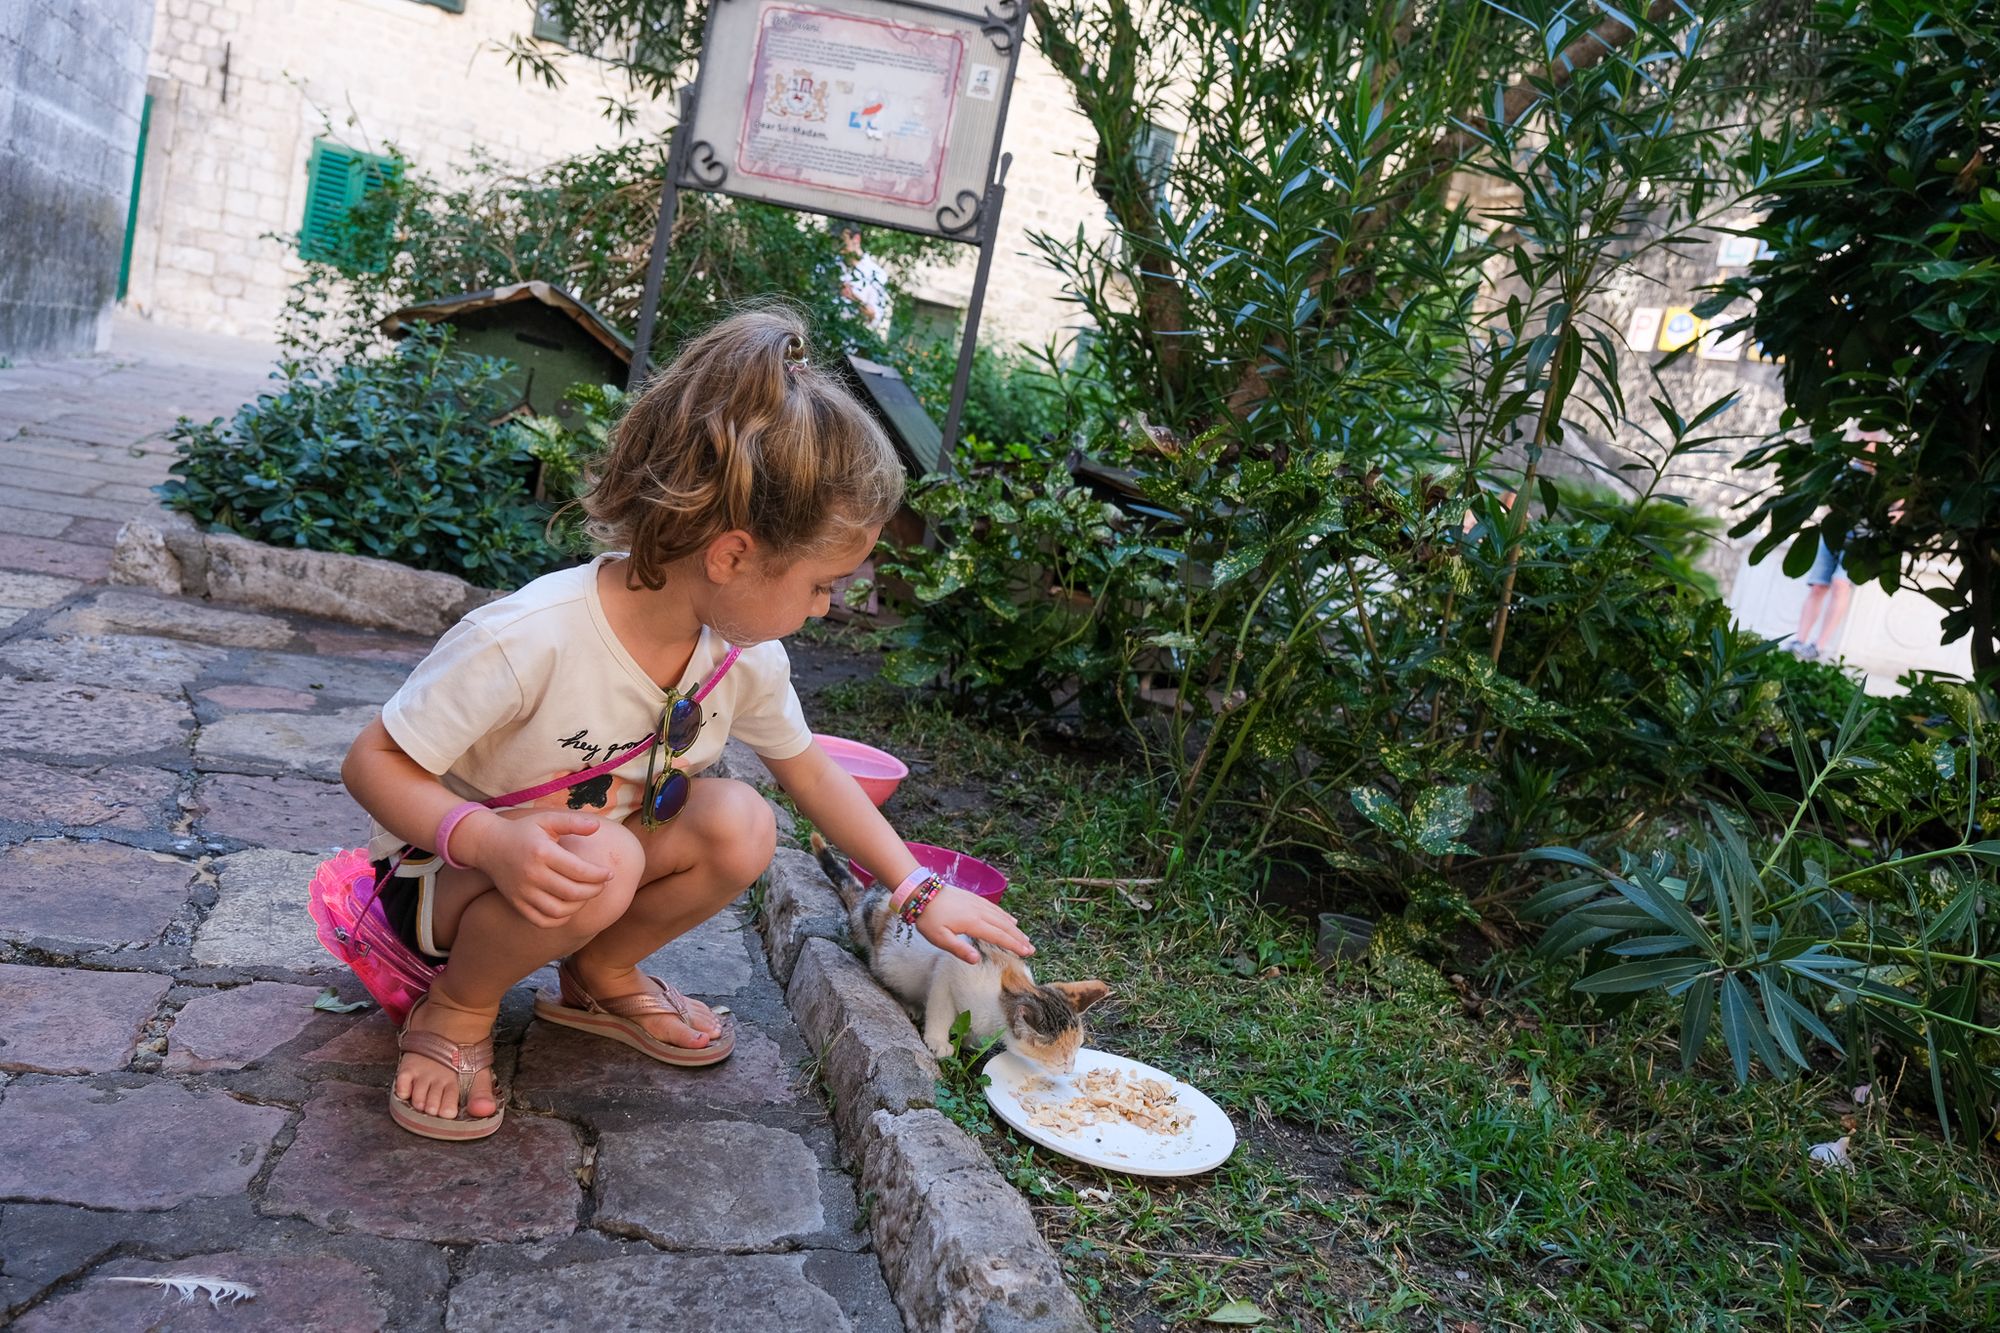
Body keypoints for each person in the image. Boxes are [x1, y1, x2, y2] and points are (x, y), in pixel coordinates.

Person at [341, 306, 1032, 1140]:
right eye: (822, 585)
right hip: (439, 882)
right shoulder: (531, 637)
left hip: (587, 865)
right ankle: (457, 1007)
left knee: (742, 822)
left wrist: (916, 889)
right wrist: (485, 840)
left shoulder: (741, 656)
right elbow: (371, 761)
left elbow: (811, 771)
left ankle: (599, 974)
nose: (827, 607)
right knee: (607, 855)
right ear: (733, 555)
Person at [1790, 426, 1890, 660]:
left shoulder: (1886, 477)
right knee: (1818, 585)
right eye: (1859, 440)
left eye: (1867, 441)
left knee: (1840, 584)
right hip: (1834, 532)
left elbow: (1897, 508)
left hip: (1863, 538)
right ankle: (1798, 641)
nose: (1862, 446)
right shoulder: (1844, 471)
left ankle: (1819, 646)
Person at [838, 224, 892, 338]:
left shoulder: (877, 274)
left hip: (851, 340)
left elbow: (875, 318)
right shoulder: (829, 266)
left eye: (842, 240)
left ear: (856, 239)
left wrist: (854, 298)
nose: (839, 246)